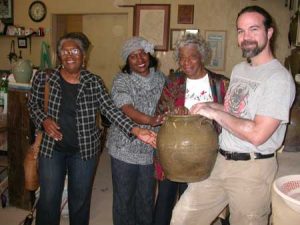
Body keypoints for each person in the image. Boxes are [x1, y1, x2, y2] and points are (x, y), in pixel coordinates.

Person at [170, 5, 296, 225]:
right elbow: (234, 112)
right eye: (240, 31)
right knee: (182, 217)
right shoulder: (239, 69)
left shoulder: (279, 79)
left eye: (253, 29)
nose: (245, 37)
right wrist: (208, 105)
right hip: (220, 160)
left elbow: (258, 134)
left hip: (252, 170)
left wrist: (214, 114)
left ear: (269, 32)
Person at [28, 32, 156, 225]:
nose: (69, 55)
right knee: (48, 200)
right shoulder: (45, 78)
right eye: (64, 51)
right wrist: (44, 120)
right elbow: (33, 105)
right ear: (59, 55)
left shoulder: (94, 82)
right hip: (51, 149)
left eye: (74, 51)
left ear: (84, 56)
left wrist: (137, 130)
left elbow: (111, 110)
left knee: (80, 201)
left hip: (84, 152)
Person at [153, 33, 229, 225]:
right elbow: (160, 113)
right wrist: (173, 111)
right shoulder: (173, 81)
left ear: (202, 56)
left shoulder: (221, 84)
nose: (186, 63)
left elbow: (231, 116)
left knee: (194, 203)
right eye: (182, 58)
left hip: (206, 153)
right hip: (174, 151)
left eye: (191, 57)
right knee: (165, 200)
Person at [105, 36, 165, 225]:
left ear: (149, 54)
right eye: (133, 56)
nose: (140, 60)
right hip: (124, 147)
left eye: (142, 54)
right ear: (127, 61)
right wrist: (150, 120)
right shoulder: (122, 80)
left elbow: (169, 104)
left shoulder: (162, 79)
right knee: (124, 198)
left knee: (146, 197)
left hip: (151, 149)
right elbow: (126, 108)